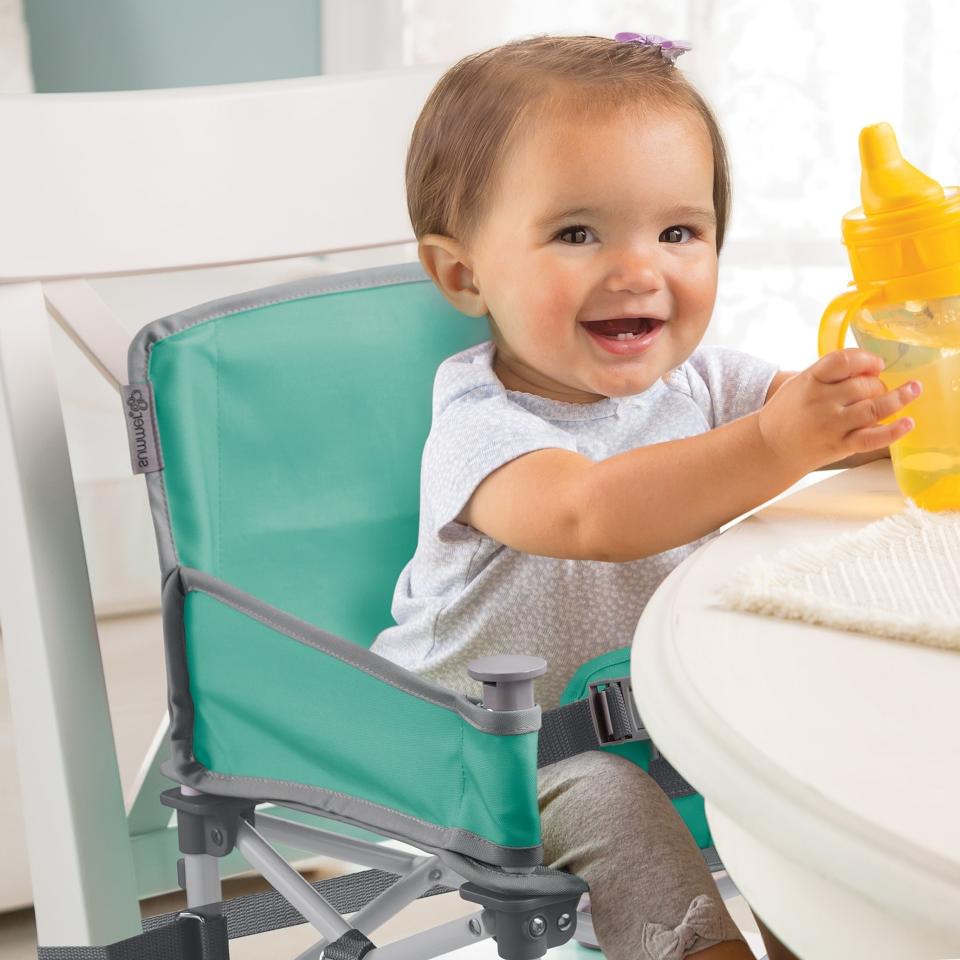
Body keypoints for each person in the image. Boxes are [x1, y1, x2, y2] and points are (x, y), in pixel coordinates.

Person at [370, 32, 920, 960]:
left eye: (678, 233)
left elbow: (814, 420)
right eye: (578, 233)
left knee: (795, 794)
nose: (639, 271)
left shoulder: (704, 384)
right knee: (615, 811)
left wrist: (890, 409)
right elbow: (592, 515)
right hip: (488, 758)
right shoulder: (480, 418)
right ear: (463, 274)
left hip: (671, 722)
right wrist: (777, 442)